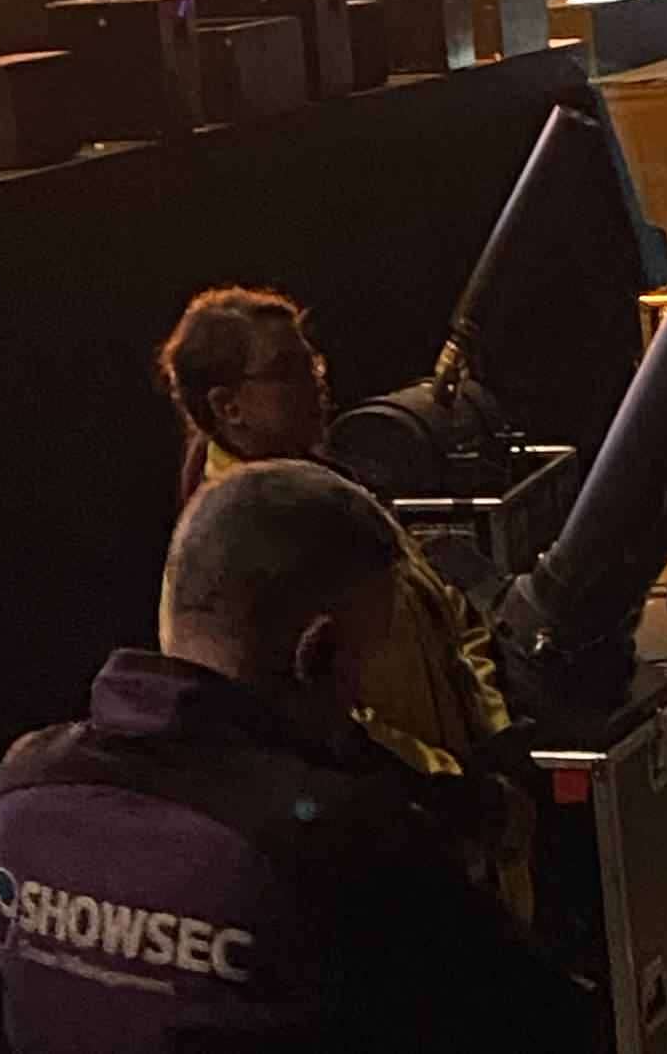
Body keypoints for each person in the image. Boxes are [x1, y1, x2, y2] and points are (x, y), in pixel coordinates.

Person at [0, 461, 591, 1054]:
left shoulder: (28, 783)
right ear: (317, 653)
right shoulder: (346, 845)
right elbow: (545, 1024)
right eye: (363, 668)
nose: (360, 704)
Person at [152, 287, 510, 786]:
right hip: (403, 817)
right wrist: (453, 784)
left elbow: (443, 610)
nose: (318, 381)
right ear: (228, 406)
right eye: (288, 370)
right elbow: (314, 718)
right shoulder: (226, 550)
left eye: (312, 361)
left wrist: (494, 729)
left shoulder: (329, 486)